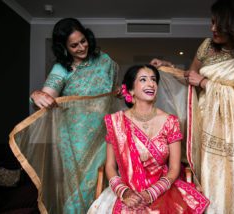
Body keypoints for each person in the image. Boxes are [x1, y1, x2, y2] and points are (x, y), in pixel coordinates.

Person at [150, 0, 234, 213]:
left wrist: (206, 83)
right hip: (208, 128)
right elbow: (191, 78)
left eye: (219, 24)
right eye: (212, 22)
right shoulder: (207, 47)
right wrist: (169, 69)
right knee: (213, 183)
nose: (212, 28)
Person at [12, 18, 118, 213]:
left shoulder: (105, 61)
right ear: (64, 47)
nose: (81, 48)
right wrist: (36, 96)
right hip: (73, 141)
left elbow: (113, 95)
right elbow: (46, 96)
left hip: (103, 137)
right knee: (75, 188)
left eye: (83, 41)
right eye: (74, 45)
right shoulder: (62, 68)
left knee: (102, 182)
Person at [87, 64, 209, 213]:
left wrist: (152, 192)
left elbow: (174, 168)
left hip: (163, 189)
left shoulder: (170, 121)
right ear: (131, 90)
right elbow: (111, 166)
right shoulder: (116, 122)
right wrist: (124, 192)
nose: (151, 83)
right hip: (127, 189)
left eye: (153, 79)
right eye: (143, 79)